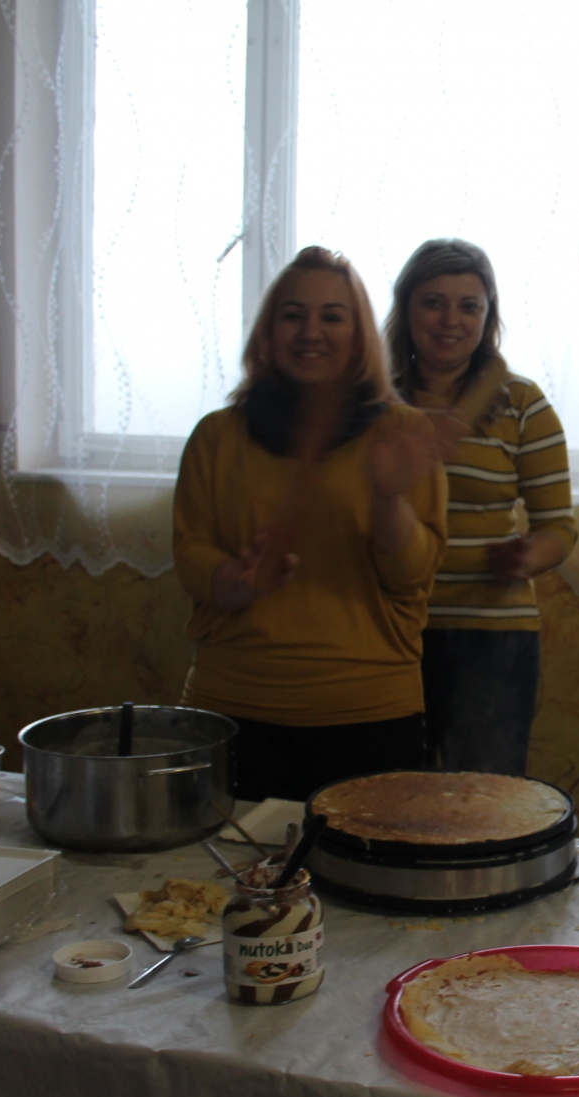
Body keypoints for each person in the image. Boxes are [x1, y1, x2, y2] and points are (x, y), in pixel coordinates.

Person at [173, 246, 447, 801]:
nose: (310, 332)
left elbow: (411, 578)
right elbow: (191, 557)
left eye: (332, 316)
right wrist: (235, 580)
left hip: (368, 713)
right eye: (293, 315)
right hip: (231, 709)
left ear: (359, 336)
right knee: (222, 861)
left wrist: (388, 498)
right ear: (268, 331)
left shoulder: (401, 434)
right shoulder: (216, 436)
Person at [386, 239, 576, 776]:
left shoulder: (522, 402)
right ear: (406, 308)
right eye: (433, 302)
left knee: (483, 803)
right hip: (389, 631)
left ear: (488, 316)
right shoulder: (371, 400)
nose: (451, 320)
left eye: (469, 306)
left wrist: (529, 556)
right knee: (386, 800)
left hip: (492, 639)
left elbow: (560, 527)